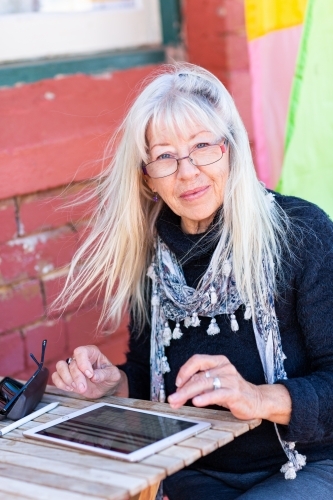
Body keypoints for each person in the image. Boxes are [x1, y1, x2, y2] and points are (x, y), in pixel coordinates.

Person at [52, 64, 333, 499]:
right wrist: (116, 385)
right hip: (191, 468)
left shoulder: (301, 233)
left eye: (203, 146)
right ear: (147, 178)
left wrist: (257, 398)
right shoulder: (152, 256)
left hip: (304, 466)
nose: (187, 171)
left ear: (232, 149)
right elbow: (155, 382)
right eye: (165, 155)